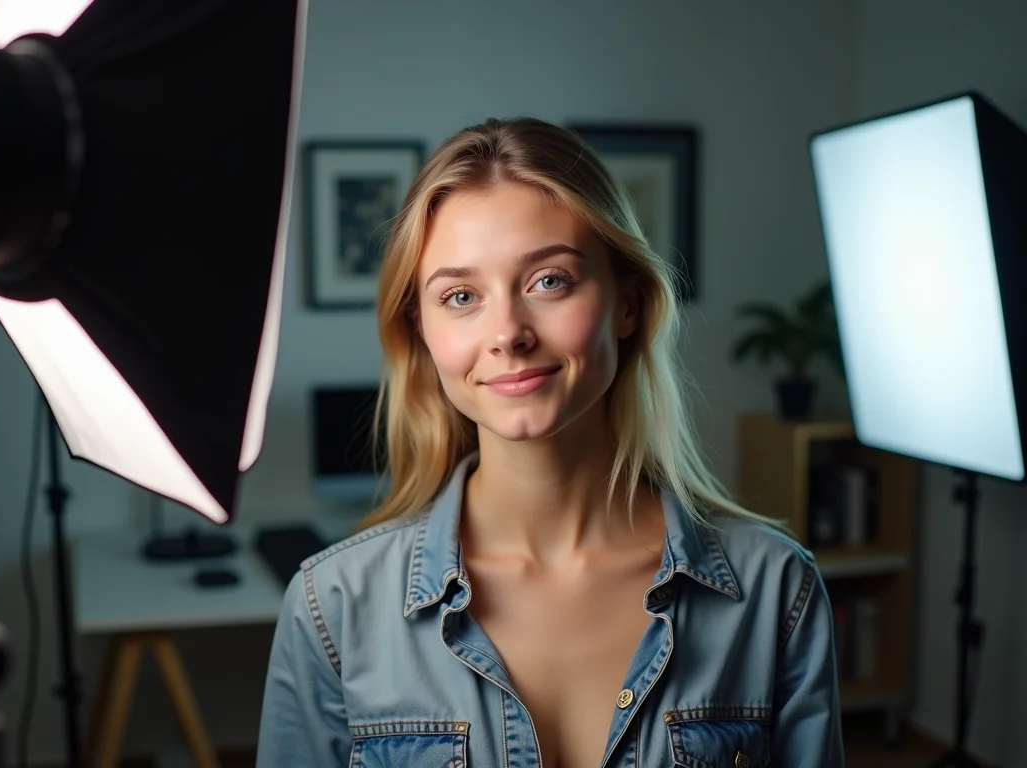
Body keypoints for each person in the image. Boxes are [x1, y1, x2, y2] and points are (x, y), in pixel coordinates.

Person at [258, 117, 843, 767]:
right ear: (421, 333)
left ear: (627, 303)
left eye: (549, 281)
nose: (508, 332)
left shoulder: (774, 591)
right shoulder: (331, 607)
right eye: (460, 295)